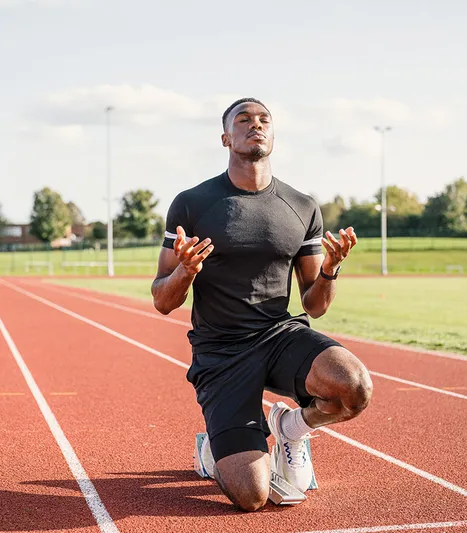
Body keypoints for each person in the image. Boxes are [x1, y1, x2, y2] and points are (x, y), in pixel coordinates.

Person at [150, 97, 373, 512]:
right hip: (222, 352)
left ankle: (290, 428)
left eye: (264, 119)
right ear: (225, 137)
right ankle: (213, 451)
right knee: (252, 497)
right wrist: (185, 271)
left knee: (355, 389)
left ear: (273, 134)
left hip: (279, 337)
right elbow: (163, 301)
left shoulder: (302, 206)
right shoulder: (192, 203)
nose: (256, 125)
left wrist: (330, 270)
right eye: (244, 120)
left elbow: (316, 305)